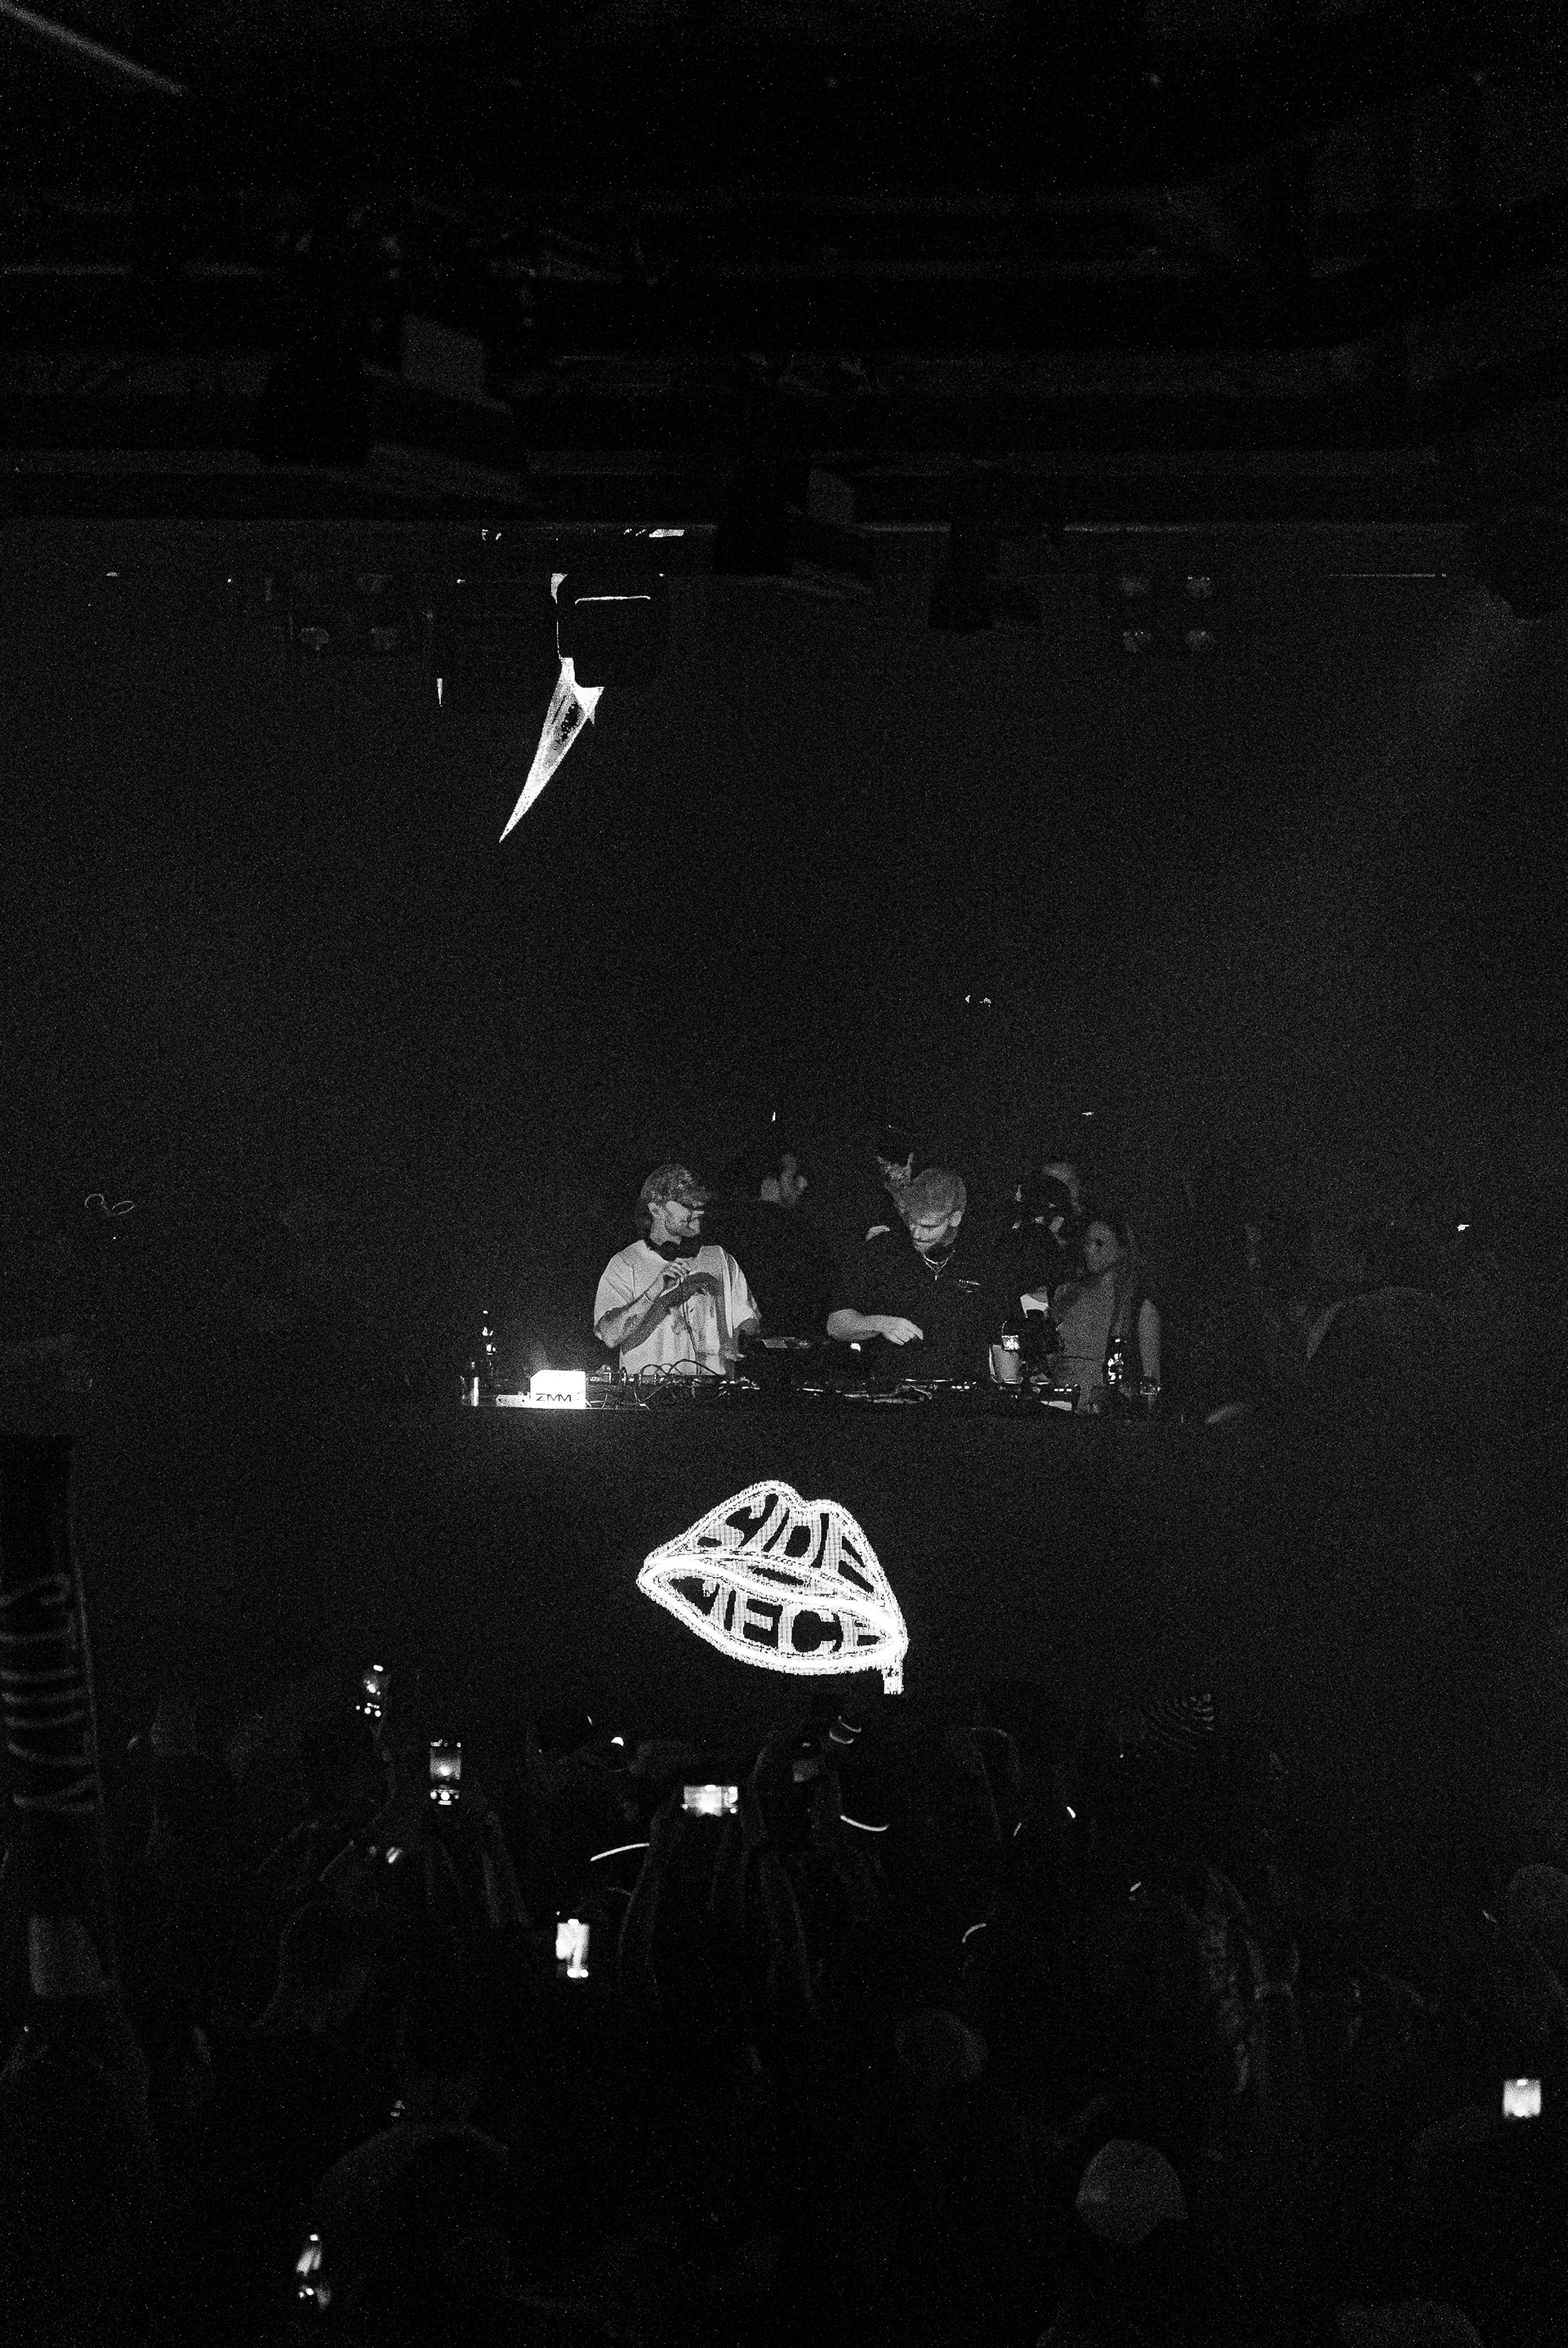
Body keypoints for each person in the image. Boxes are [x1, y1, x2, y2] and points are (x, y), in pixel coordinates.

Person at [826, 1167, 1022, 1385]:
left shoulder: (983, 1260)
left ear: (955, 1218)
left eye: (929, 1227)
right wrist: (882, 1323)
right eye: (912, 1222)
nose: (917, 1234)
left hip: (964, 1395)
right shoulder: (881, 1251)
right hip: (892, 1392)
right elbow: (836, 1325)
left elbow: (1004, 1336)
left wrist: (1010, 1389)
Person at [592, 1163, 759, 1379]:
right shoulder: (626, 1262)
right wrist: (655, 1291)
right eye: (686, 1204)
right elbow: (610, 1336)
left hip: (713, 1391)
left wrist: (743, 1339)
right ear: (656, 1210)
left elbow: (749, 1324)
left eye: (700, 1203)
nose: (699, 1210)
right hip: (650, 1394)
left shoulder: (719, 1257)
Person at [698, 1142, 834, 1343]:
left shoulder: (722, 1225)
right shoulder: (791, 1228)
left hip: (739, 1338)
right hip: (787, 1338)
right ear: (768, 1182)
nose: (803, 1183)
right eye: (793, 1177)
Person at [1030, 1207, 1160, 1412]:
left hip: (1103, 1415)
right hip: (1056, 1408)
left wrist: (1143, 1411)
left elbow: (1150, 1376)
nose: (1089, 1250)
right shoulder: (1066, 1293)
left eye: (1100, 1244)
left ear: (1122, 1249)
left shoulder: (1137, 1307)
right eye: (1087, 1243)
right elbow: (1046, 1359)